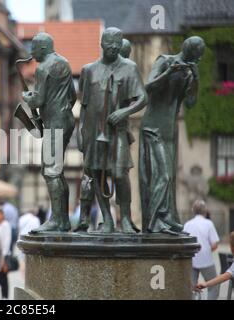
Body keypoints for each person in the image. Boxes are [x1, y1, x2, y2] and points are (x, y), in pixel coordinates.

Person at [77, 27, 147, 233]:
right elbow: (84, 106)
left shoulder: (129, 68)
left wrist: (124, 112)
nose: (113, 49)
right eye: (109, 45)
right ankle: (107, 218)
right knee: (97, 173)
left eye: (117, 45)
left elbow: (143, 98)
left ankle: (125, 217)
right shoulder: (89, 70)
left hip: (118, 130)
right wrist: (82, 133)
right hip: (93, 131)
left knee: (119, 173)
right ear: (101, 44)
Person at [140, 36, 205, 235]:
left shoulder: (189, 72)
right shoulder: (165, 60)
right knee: (163, 176)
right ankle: (154, 221)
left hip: (169, 129)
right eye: (198, 56)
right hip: (153, 126)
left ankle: (167, 217)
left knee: (170, 177)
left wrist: (196, 79)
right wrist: (168, 72)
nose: (199, 60)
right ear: (189, 50)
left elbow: (191, 103)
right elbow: (148, 87)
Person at [22, 32, 77, 232]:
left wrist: (27, 97)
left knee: (51, 171)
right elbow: (71, 95)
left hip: (54, 123)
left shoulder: (43, 68)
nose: (31, 52)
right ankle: (63, 220)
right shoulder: (64, 63)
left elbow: (38, 100)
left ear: (43, 48)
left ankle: (57, 219)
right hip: (66, 120)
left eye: (34, 48)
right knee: (58, 172)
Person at [184, 200, 220, 300]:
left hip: (191, 260)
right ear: (205, 210)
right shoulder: (208, 224)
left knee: (192, 287)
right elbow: (215, 244)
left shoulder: (187, 224)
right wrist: (207, 250)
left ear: (193, 211)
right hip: (206, 260)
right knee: (213, 286)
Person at [0, 206, 12, 300]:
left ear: (2, 215)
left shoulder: (5, 225)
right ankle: (3, 296)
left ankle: (5, 297)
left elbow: (7, 242)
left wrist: (3, 258)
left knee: (3, 277)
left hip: (2, 255)